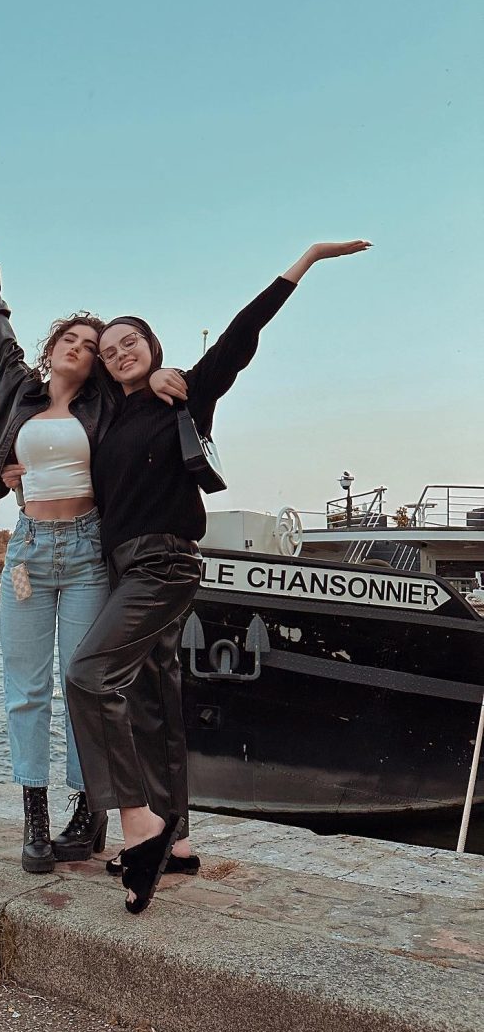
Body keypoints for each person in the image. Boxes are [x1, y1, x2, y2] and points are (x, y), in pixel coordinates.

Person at [65, 240, 372, 913]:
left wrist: (305, 261)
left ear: (152, 345)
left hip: (165, 563)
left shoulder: (185, 392)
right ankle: (175, 843)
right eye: (108, 349)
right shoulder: (107, 415)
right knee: (153, 704)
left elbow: (241, 334)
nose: (119, 352)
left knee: (87, 676)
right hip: (123, 569)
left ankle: (139, 824)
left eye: (130, 341)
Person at [0, 236, 184, 873]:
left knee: (83, 682)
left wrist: (165, 376)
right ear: (53, 345)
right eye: (73, 338)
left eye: (92, 347)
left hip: (89, 551)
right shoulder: (17, 387)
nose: (82, 348)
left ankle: (88, 810)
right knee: (25, 689)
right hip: (27, 557)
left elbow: (142, 386)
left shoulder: (104, 405)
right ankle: (34, 815)